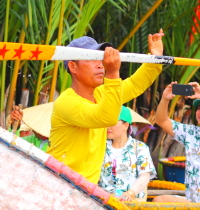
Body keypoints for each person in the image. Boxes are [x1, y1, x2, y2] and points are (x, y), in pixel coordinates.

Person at [48, 32, 164, 183]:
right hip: (58, 183)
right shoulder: (66, 102)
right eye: (92, 59)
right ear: (72, 66)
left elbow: (135, 85)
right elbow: (106, 117)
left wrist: (154, 58)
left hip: (84, 188)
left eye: (100, 58)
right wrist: (113, 72)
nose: (100, 64)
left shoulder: (102, 93)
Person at [98, 106, 156, 201]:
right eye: (106, 122)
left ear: (126, 125)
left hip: (132, 203)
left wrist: (130, 193)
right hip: (105, 202)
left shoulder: (139, 147)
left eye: (112, 122)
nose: (108, 126)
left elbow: (145, 176)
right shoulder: (100, 147)